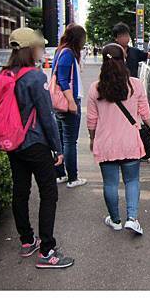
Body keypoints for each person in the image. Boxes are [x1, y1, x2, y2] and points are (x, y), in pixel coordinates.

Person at [4, 27, 74, 269]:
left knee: (20, 190)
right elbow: (47, 116)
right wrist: (58, 148)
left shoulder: (5, 74)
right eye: (39, 46)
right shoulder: (34, 77)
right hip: (35, 144)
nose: (41, 50)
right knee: (48, 193)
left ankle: (26, 241)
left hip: (13, 143)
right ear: (29, 48)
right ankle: (47, 251)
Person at [86, 43, 150, 235]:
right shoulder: (135, 85)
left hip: (106, 144)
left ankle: (115, 220)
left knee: (110, 184)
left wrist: (92, 139)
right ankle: (132, 219)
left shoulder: (95, 88)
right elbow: (145, 114)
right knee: (132, 181)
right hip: (130, 143)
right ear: (124, 60)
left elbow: (92, 121)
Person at [52, 23, 88, 188]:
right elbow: (63, 80)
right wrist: (72, 102)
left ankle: (60, 175)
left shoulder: (60, 51)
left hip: (58, 103)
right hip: (67, 103)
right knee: (69, 142)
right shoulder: (67, 53)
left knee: (60, 140)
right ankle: (73, 178)